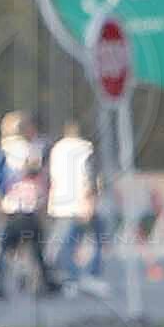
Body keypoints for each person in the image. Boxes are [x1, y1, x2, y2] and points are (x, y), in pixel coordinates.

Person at [0, 112, 61, 298]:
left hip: (8, 207)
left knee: (5, 248)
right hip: (28, 207)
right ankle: (41, 283)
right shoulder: (32, 149)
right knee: (34, 247)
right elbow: (40, 176)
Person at [47, 117, 101, 279]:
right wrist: (91, 201)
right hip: (81, 202)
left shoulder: (57, 148)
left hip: (60, 202)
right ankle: (83, 274)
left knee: (64, 241)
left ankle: (66, 272)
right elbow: (89, 176)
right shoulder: (85, 148)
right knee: (95, 236)